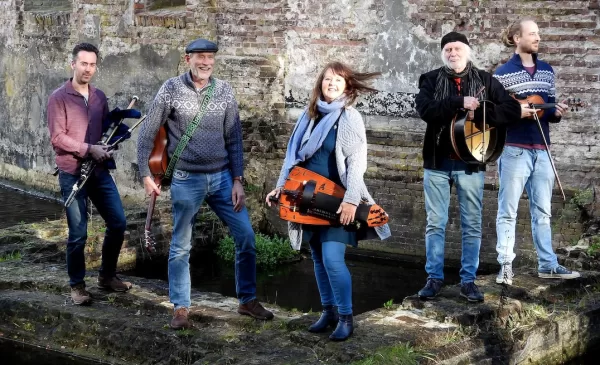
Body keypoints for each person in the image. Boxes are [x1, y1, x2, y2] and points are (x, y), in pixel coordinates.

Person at [137, 38, 273, 329]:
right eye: (200, 56)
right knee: (181, 246)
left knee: (246, 236)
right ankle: (181, 307)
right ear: (188, 59)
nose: (206, 62)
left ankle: (247, 300)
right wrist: (145, 175)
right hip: (187, 179)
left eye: (210, 57)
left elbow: (235, 139)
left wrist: (238, 180)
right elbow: (147, 133)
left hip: (223, 178)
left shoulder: (223, 91)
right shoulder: (171, 89)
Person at [266, 61, 391, 341]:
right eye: (327, 79)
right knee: (319, 260)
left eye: (338, 80)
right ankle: (329, 312)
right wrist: (280, 189)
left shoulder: (350, 117)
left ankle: (346, 317)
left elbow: (358, 165)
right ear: (319, 84)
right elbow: (293, 159)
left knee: (333, 259)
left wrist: (350, 201)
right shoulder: (307, 117)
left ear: (347, 86)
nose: (331, 84)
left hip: (336, 201)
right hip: (307, 201)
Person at [415, 32, 523, 302]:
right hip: (437, 163)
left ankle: (468, 281)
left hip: (471, 163)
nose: (453, 53)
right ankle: (434, 279)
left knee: (472, 224)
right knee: (435, 224)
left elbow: (510, 109)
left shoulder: (486, 81)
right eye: (448, 49)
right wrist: (457, 103)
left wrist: (483, 113)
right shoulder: (430, 79)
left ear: (468, 51)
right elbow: (425, 109)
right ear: (443, 54)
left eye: (457, 48)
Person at [493, 18, 580, 285]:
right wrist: (517, 111)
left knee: (543, 211)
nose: (538, 38)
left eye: (538, 34)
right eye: (532, 34)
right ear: (517, 38)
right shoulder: (502, 73)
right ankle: (505, 266)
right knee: (507, 211)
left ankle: (548, 264)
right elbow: (496, 114)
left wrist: (557, 112)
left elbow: (549, 114)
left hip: (542, 151)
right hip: (514, 150)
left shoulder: (547, 71)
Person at [47, 43, 132, 306]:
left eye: (92, 64)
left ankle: (107, 276)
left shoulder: (99, 97)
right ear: (72, 64)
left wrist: (113, 137)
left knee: (118, 222)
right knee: (78, 233)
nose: (88, 69)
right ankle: (77, 286)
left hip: (98, 172)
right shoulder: (58, 98)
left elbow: (103, 128)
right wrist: (88, 149)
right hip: (72, 173)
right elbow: (58, 138)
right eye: (83, 63)